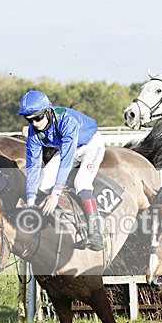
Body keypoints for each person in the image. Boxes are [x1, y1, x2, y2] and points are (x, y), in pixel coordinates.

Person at [20, 90, 106, 251]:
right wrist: (30, 201)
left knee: (81, 182)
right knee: (43, 182)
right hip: (68, 149)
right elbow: (32, 166)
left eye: (38, 118)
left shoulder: (67, 121)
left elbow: (66, 159)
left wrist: (56, 193)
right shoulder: (34, 131)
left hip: (90, 146)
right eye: (29, 120)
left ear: (47, 111)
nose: (35, 124)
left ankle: (95, 233)